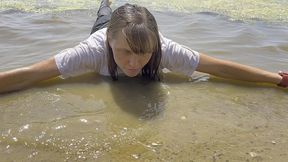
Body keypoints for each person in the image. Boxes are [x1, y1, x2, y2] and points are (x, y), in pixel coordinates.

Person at [0, 0, 287, 94]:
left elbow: (216, 66)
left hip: (134, 30)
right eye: (125, 52)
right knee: (102, 14)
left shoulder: (164, 47)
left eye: (143, 52)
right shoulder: (93, 49)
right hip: (106, 26)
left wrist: (277, 79)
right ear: (111, 44)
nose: (134, 63)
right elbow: (31, 74)